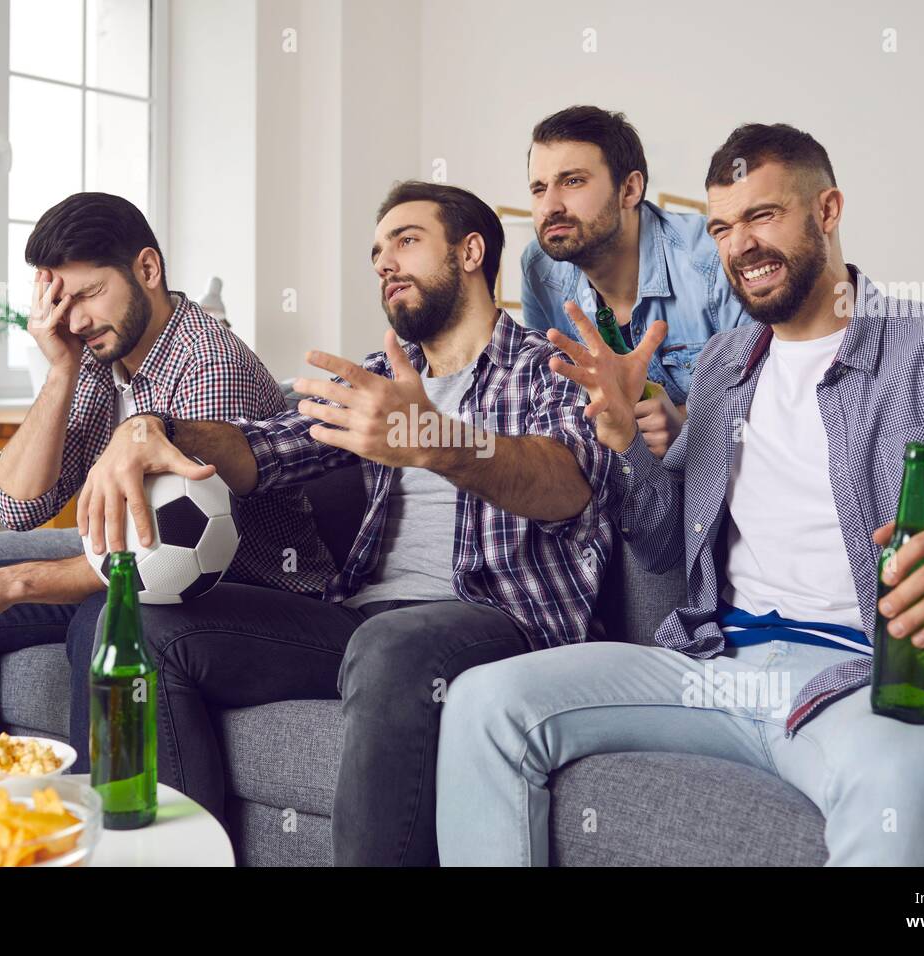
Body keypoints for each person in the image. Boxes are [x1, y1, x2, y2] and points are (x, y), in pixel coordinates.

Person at [435, 123, 924, 866]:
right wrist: (625, 446)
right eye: (720, 226)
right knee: (485, 705)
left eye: (762, 216)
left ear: (828, 211)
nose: (739, 245)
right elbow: (660, 541)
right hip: (714, 666)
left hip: (866, 680)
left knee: (902, 784)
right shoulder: (723, 365)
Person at [77, 181, 614, 865]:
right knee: (151, 627)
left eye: (407, 241)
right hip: (362, 622)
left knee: (391, 647)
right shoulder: (376, 381)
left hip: (501, 621)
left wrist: (433, 439)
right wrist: (152, 426)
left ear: (471, 250)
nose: (385, 262)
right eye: (376, 252)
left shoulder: (550, 368)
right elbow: (261, 451)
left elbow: (565, 485)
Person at [0, 192, 334, 767]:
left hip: (244, 587)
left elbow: (159, 556)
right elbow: (16, 504)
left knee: (102, 618)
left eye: (88, 293)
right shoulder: (96, 358)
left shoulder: (210, 364)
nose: (76, 318)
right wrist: (60, 368)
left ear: (148, 269)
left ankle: (95, 834)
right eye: (63, 299)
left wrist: (12, 584)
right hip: (135, 558)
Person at [520, 105, 750, 459]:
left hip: (725, 486)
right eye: (538, 188)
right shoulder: (540, 269)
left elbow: (770, 397)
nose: (549, 205)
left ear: (629, 189)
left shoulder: (713, 257)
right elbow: (552, 402)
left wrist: (688, 425)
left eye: (573, 181)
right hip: (622, 494)